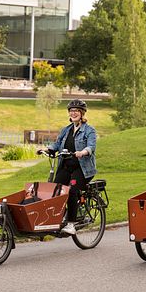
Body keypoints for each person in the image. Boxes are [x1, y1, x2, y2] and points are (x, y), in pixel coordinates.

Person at [37, 99, 97, 235]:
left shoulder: (89, 130)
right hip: (66, 166)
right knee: (55, 190)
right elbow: (57, 145)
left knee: (71, 191)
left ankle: (71, 224)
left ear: (82, 113)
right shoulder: (66, 130)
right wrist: (47, 150)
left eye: (76, 111)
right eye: (71, 111)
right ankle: (56, 219)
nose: (73, 113)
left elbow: (91, 146)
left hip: (82, 169)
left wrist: (83, 152)